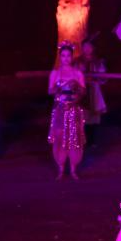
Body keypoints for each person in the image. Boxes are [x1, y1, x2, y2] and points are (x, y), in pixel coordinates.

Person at [48, 41, 86, 179]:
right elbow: (50, 91)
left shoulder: (77, 73)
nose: (66, 58)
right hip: (60, 109)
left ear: (72, 56)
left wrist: (76, 88)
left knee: (74, 138)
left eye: (68, 55)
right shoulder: (55, 73)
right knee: (60, 137)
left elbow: (83, 91)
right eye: (63, 55)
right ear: (60, 57)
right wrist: (59, 88)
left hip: (73, 109)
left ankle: (74, 169)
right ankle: (61, 169)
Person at [79, 38, 108, 127]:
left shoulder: (98, 62)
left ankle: (93, 132)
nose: (87, 49)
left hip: (94, 91)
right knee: (81, 119)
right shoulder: (77, 62)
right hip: (81, 91)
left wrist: (96, 78)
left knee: (94, 120)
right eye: (85, 46)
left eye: (89, 46)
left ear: (93, 48)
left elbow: (103, 78)